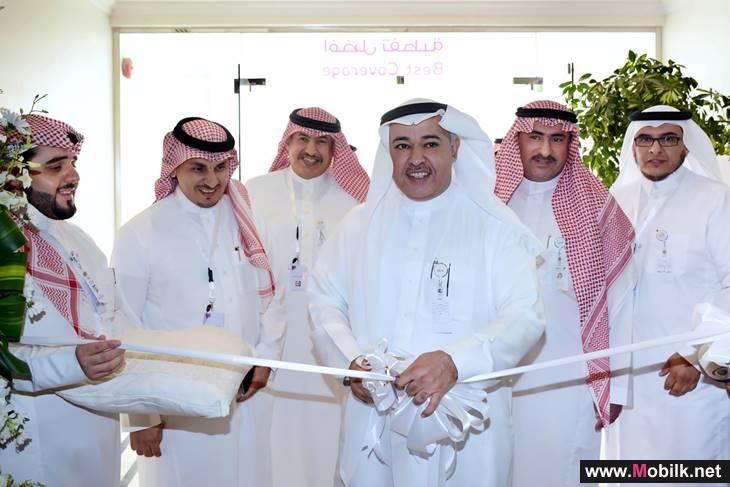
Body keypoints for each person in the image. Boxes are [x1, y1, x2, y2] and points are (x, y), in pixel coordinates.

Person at [308, 99, 544, 487]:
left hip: (465, 426)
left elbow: (525, 315)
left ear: (455, 147)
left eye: (430, 144)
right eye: (402, 145)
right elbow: (324, 299)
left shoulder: (495, 228)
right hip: (375, 422)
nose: (416, 158)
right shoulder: (357, 226)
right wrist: (351, 362)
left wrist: (455, 362)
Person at [111, 117, 285, 487]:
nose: (212, 180)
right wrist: (142, 417)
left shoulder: (249, 221)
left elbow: (275, 295)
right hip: (176, 402)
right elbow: (124, 325)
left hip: (247, 392)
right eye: (198, 168)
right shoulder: (139, 233)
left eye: (221, 167)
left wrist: (266, 359)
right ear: (175, 167)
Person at [494, 100, 635, 487]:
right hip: (495, 374)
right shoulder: (487, 203)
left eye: (557, 139)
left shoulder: (596, 205)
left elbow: (621, 303)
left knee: (564, 469)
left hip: (569, 374)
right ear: (516, 140)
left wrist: (615, 385)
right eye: (535, 137)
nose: (545, 150)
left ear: (570, 144)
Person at [246, 107, 369, 487]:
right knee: (268, 440)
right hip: (268, 340)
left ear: (336, 150)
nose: (311, 150)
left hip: (330, 340)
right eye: (303, 139)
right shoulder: (256, 191)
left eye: (322, 142)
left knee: (326, 440)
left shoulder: (355, 201)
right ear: (288, 142)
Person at [607, 105, 730, 478]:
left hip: (689, 377)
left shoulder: (715, 198)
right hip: (629, 380)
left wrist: (695, 355)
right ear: (633, 146)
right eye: (645, 139)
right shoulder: (617, 198)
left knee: (693, 472)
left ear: (685, 145)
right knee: (633, 474)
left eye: (668, 139)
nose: (656, 149)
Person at [4, 115, 126, 486]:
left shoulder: (79, 238)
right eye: (56, 166)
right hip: (37, 433)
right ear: (14, 174)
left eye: (72, 163)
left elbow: (112, 317)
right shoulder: (4, 246)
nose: (73, 176)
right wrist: (70, 365)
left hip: (99, 432)